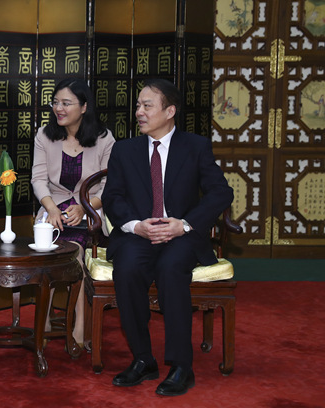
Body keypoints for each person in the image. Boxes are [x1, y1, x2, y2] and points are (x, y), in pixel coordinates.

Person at [102, 79, 233, 397]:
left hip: (181, 235)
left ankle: (181, 366)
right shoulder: (125, 150)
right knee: (127, 269)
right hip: (140, 234)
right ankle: (143, 359)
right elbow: (112, 197)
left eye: (147, 106)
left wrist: (184, 225)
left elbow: (220, 192)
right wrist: (136, 225)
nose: (139, 112)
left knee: (171, 269)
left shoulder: (195, 146)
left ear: (170, 111)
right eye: (138, 105)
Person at [31, 78, 115, 346]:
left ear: (84, 107)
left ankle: (79, 327)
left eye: (66, 103)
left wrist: (85, 207)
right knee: (47, 251)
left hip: (89, 214)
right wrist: (51, 209)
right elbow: (38, 179)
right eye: (55, 102)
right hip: (53, 209)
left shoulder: (104, 138)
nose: (59, 108)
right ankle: (43, 320)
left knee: (74, 254)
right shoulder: (44, 135)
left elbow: (110, 185)